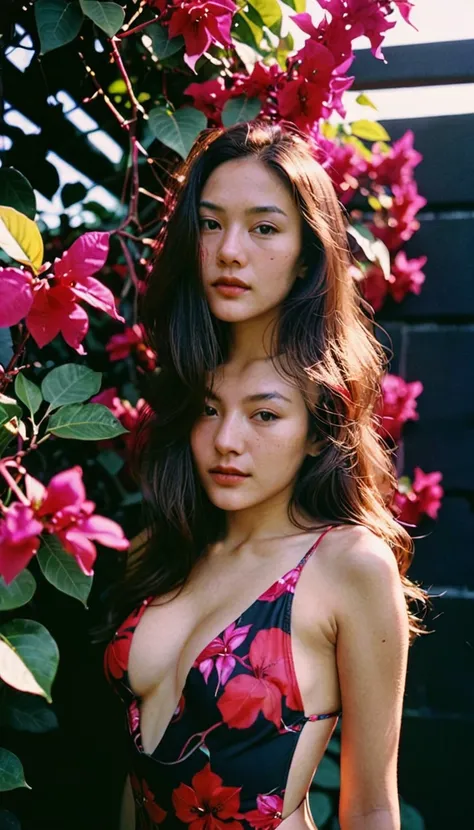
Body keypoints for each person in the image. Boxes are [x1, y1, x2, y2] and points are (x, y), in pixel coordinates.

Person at [103, 122, 425, 830]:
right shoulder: (183, 535)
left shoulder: (346, 566)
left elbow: (372, 808)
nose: (228, 252)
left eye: (264, 227)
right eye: (210, 225)